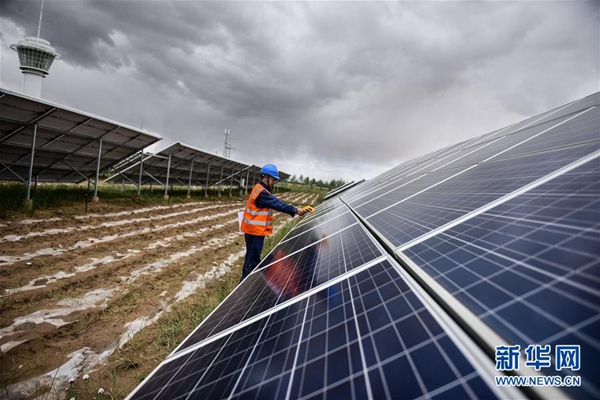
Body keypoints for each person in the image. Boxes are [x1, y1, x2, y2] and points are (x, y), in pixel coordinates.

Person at [240, 164, 307, 281]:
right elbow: (277, 204)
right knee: (252, 261)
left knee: (252, 258)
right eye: (273, 180)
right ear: (265, 177)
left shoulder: (260, 189)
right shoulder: (262, 193)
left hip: (254, 231)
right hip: (254, 231)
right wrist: (295, 210)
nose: (274, 183)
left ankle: (248, 282)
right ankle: (244, 284)